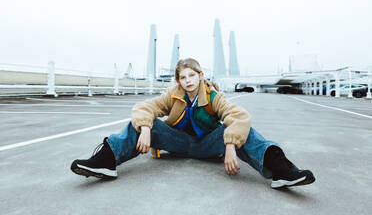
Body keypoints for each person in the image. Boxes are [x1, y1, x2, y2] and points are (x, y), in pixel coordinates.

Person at [71, 58, 315, 189]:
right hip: (176, 143)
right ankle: (105, 162)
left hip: (208, 145)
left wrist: (230, 143)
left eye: (192, 75)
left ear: (201, 76)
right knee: (142, 122)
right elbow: (145, 107)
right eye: (183, 77)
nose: (188, 80)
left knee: (244, 130)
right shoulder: (172, 94)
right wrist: (146, 127)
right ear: (178, 80)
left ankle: (281, 171)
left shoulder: (212, 96)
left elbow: (238, 116)